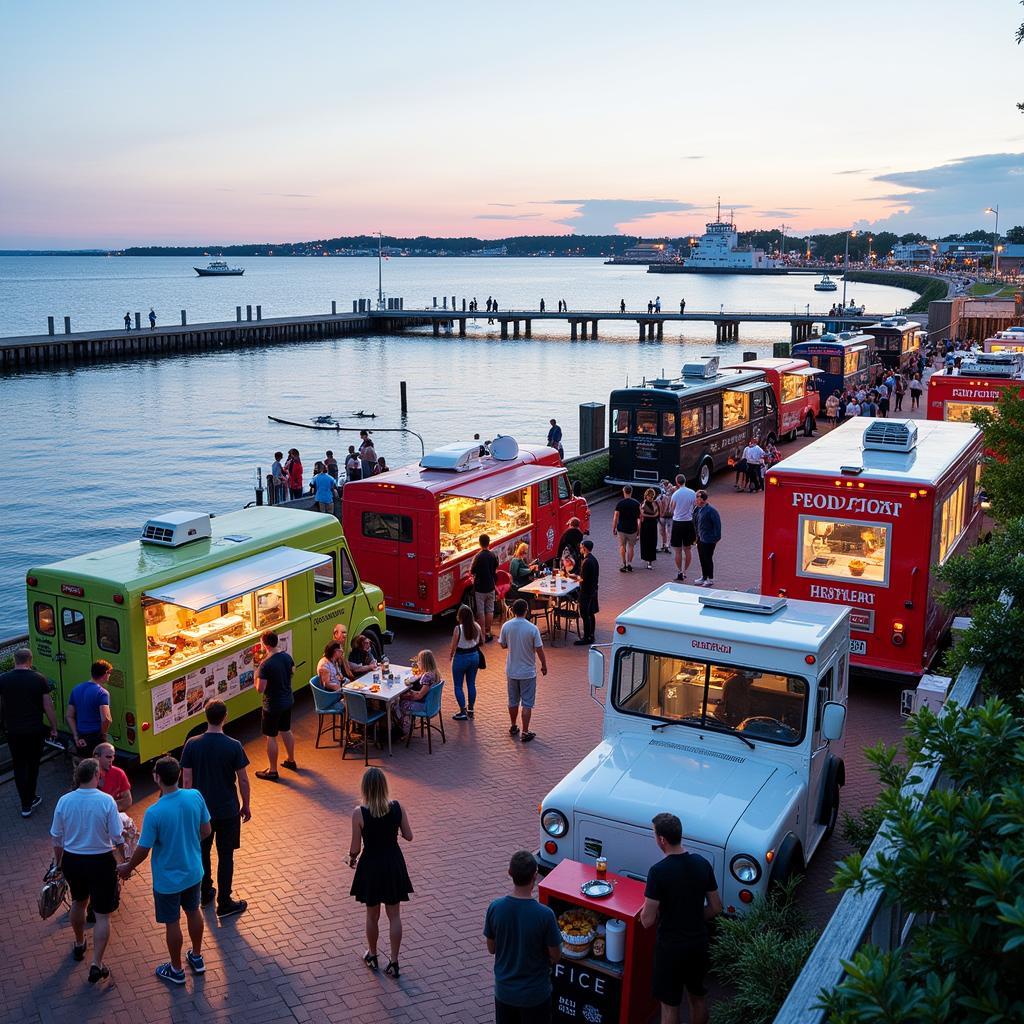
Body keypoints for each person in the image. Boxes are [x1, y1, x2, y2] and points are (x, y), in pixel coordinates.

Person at [118, 756, 212, 986]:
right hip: (193, 871)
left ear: (157, 778)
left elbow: (143, 849)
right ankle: (197, 958)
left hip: (168, 880)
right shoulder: (195, 796)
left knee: (172, 922)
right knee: (194, 911)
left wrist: (127, 867)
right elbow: (206, 830)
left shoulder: (154, 812)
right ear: (178, 775)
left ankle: (176, 970)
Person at [50, 758, 127, 985]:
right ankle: (97, 963)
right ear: (96, 776)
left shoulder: (64, 801)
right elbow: (117, 835)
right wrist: (124, 858)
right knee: (103, 915)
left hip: (73, 860)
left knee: (78, 901)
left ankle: (79, 942)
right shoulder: (106, 801)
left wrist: (58, 863)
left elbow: (57, 837)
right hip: (101, 862)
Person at [640, 813, 722, 1024]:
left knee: (669, 1006)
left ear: (662, 840)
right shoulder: (702, 864)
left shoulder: (658, 872)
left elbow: (647, 920)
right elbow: (716, 907)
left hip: (670, 949)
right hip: (698, 944)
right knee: (697, 998)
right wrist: (692, 915)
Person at [181, 700, 251, 918]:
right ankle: (225, 901)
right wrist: (246, 805)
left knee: (202, 852)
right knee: (225, 855)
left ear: (205, 716)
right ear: (225, 717)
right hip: (228, 809)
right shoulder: (233, 745)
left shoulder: (192, 744)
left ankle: (205, 892)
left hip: (201, 811)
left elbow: (187, 781)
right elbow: (243, 780)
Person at [348, 767, 413, 979]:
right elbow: (409, 836)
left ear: (365, 788)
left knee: (372, 914)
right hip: (393, 863)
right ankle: (394, 962)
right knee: (394, 915)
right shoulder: (397, 808)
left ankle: (373, 955)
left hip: (372, 865)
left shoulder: (359, 812)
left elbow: (355, 848)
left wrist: (351, 858)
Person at [484, 850, 561, 1024]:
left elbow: (491, 948)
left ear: (509, 873)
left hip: (505, 993)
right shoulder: (545, 915)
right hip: (536, 996)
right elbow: (556, 956)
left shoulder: (495, 908)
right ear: (535, 875)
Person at [0, 648, 58, 818]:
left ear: (14, 659)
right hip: (34, 729)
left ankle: (25, 803)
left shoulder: (3, 679)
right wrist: (54, 727)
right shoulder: (39, 678)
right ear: (30, 660)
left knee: (18, 765)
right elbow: (48, 705)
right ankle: (30, 798)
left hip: (13, 730)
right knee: (33, 764)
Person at [499, 599, 547, 743]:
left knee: (512, 700)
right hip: (528, 672)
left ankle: (513, 726)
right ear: (526, 610)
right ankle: (525, 731)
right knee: (527, 703)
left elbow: (502, 645)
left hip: (512, 670)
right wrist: (544, 665)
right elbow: (539, 649)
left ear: (513, 610)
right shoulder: (532, 629)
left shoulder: (506, 626)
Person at [254, 631, 296, 782]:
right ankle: (291, 760)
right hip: (287, 700)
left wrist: (256, 675)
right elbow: (292, 671)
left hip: (272, 705)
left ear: (265, 644)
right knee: (286, 729)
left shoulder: (265, 665)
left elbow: (260, 689)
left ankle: (272, 770)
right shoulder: (286, 657)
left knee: (271, 736)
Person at [67, 660, 113, 758]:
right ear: (105, 674)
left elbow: (69, 716)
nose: (109, 676)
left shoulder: (76, 689)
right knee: (98, 768)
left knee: (85, 766)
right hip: (95, 737)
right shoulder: (102, 693)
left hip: (81, 736)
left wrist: (76, 736)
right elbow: (106, 719)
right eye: (109, 673)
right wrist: (103, 735)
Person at [395, 649, 439, 739]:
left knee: (401, 703)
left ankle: (404, 728)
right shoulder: (435, 673)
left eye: (419, 661)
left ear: (424, 662)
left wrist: (405, 696)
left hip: (425, 706)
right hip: (433, 703)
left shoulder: (427, 676)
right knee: (403, 697)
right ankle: (408, 724)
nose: (418, 662)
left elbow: (419, 696)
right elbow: (423, 692)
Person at [449, 604, 482, 721]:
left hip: (461, 657)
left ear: (460, 616)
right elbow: (479, 641)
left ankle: (462, 711)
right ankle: (471, 709)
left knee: (458, 685)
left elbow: (453, 646)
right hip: (474, 656)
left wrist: (451, 655)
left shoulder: (458, 629)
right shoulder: (477, 626)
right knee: (471, 684)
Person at [471, 534, 500, 642]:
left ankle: (482, 634)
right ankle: (488, 632)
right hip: (490, 586)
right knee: (490, 610)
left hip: (479, 587)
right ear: (489, 542)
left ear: (479, 543)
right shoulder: (493, 555)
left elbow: (472, 571)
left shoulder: (477, 556)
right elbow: (495, 568)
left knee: (481, 611)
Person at [669, 475, 697, 582]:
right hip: (688, 522)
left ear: (677, 482)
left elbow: (671, 509)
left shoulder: (675, 494)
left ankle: (679, 571)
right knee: (688, 549)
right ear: (685, 481)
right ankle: (685, 571)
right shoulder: (692, 493)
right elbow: (695, 506)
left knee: (677, 550)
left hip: (677, 522)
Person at [692, 491, 722, 587]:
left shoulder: (711, 511)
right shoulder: (697, 509)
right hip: (700, 538)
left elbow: (717, 525)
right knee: (702, 558)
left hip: (709, 539)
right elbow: (695, 523)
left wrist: (716, 538)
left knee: (708, 558)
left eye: (697, 497)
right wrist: (696, 536)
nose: (696, 499)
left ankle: (710, 578)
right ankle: (704, 576)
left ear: (703, 499)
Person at [575, 539, 600, 646]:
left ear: (584, 548)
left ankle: (586, 637)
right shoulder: (593, 559)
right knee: (591, 613)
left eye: (581, 547)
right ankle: (591, 634)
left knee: (585, 614)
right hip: (593, 590)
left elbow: (582, 579)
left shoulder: (586, 561)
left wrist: (572, 577)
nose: (580, 549)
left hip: (586, 592)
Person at [95, 742, 133, 812]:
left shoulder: (119, 773)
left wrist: (108, 813)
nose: (112, 759)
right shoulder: (87, 775)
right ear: (97, 757)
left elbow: (127, 801)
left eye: (113, 756)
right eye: (108, 757)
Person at [612, 485, 642, 572]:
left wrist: (614, 528)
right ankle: (630, 563)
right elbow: (640, 518)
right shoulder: (636, 503)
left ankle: (623, 563)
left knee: (622, 546)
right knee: (631, 547)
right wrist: (638, 530)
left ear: (624, 491)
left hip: (621, 528)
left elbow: (615, 517)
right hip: (632, 529)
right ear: (631, 492)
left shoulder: (620, 503)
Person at [640, 488, 660, 569]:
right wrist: (653, 516)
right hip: (645, 525)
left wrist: (652, 516)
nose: (651, 498)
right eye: (649, 496)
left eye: (652, 496)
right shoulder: (643, 503)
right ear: (646, 496)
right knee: (645, 542)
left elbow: (658, 513)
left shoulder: (655, 503)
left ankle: (650, 560)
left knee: (652, 542)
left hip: (652, 525)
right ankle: (646, 558)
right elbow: (642, 514)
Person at [657, 480, 673, 553]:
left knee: (663, 532)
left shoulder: (662, 495)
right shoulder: (672, 494)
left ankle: (664, 545)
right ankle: (666, 546)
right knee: (666, 532)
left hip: (664, 516)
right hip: (668, 516)